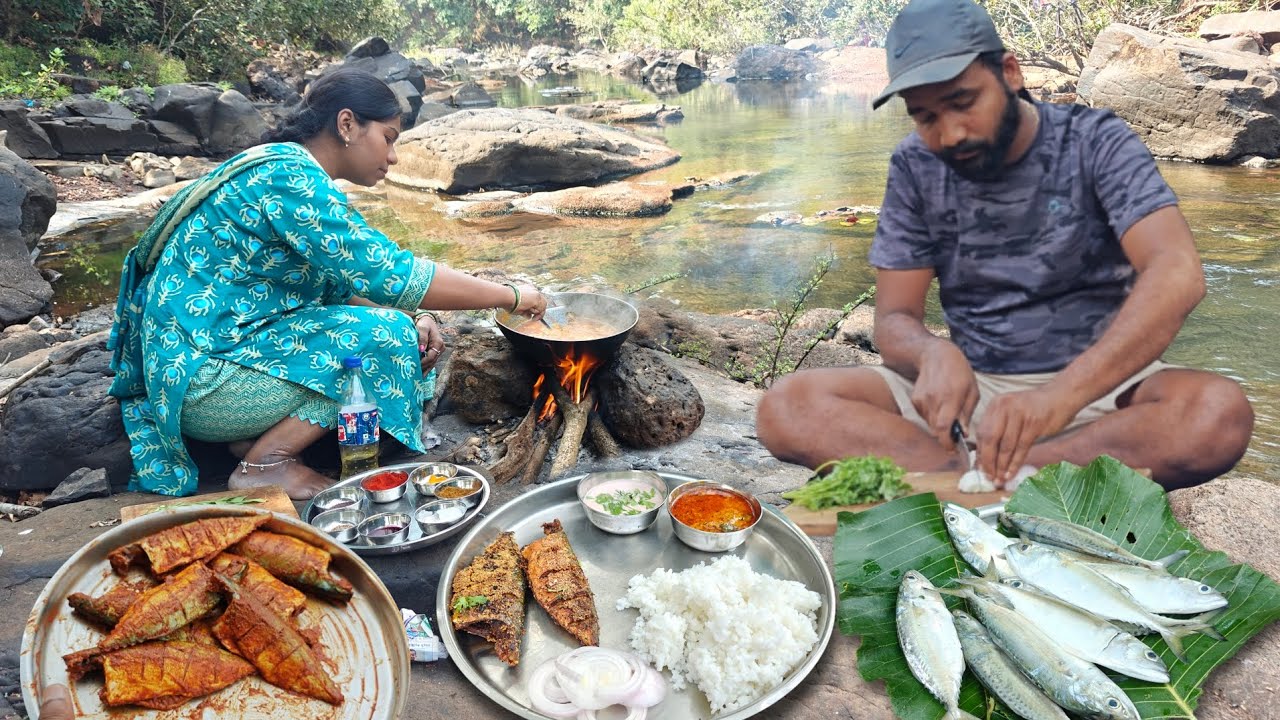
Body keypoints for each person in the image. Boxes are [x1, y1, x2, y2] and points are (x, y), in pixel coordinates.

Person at [756, 0, 1254, 490]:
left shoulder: (1096, 141)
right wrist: (930, 353)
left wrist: (1059, 397)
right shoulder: (915, 166)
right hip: (971, 397)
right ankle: (989, 479)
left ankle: (985, 477)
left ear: (1011, 73)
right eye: (925, 116)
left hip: (1103, 391)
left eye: (963, 102)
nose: (950, 134)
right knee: (787, 407)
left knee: (1217, 413)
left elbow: (1176, 271)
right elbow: (894, 319)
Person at [108, 69, 547, 500]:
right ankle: (265, 463)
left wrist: (415, 315)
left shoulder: (279, 167)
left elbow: (338, 284)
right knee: (386, 339)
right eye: (389, 138)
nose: (393, 156)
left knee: (398, 328)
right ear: (347, 124)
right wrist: (511, 297)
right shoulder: (289, 178)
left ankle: (249, 440)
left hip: (194, 366)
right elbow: (390, 274)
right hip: (207, 387)